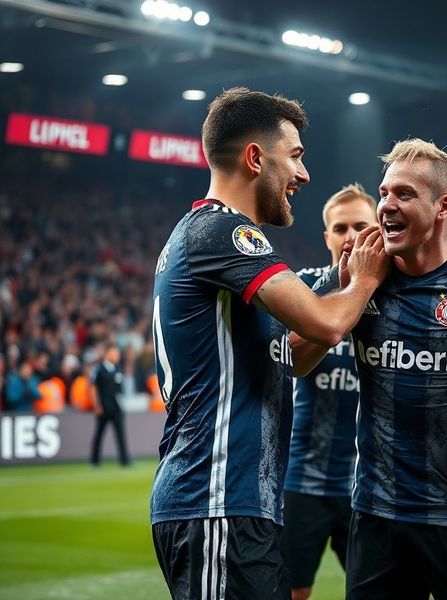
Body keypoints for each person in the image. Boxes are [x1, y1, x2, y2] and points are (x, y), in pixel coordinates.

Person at [149, 87, 389, 600]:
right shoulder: (223, 233)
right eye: (296, 156)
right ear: (256, 158)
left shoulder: (210, 237)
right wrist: (363, 283)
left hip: (239, 503)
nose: (303, 175)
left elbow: (298, 355)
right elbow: (326, 325)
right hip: (216, 497)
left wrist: (344, 288)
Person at [314, 139, 447, 599]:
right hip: (376, 518)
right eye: (385, 193)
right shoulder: (363, 275)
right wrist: (359, 283)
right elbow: (295, 357)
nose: (387, 207)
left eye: (405, 195)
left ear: (444, 206)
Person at [283, 183, 378, 600]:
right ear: (327, 237)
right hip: (300, 482)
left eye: (361, 225)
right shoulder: (300, 290)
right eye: (340, 228)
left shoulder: (392, 299)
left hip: (368, 487)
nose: (350, 236)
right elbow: (283, 353)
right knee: (292, 591)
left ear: (378, 228)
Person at [90, 344, 131, 467]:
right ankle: (94, 461)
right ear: (108, 354)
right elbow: (93, 387)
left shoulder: (117, 369)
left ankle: (125, 460)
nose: (117, 356)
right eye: (115, 353)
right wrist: (97, 405)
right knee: (99, 434)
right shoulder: (99, 370)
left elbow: (120, 389)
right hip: (103, 407)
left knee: (120, 434)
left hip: (116, 407)